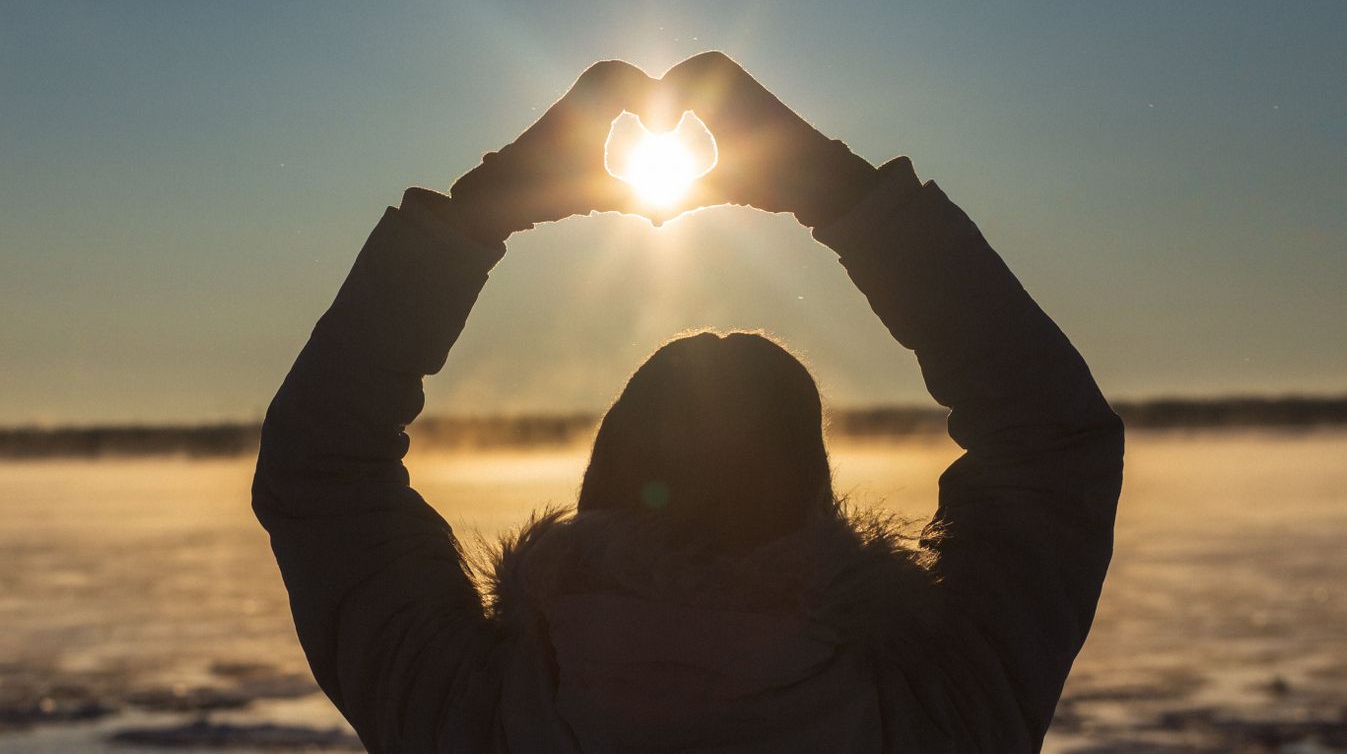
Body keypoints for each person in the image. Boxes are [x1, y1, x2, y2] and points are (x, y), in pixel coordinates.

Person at [253, 52, 1124, 753]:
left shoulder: (468, 717)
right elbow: (1049, 450)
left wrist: (482, 210)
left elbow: (323, 472)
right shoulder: (932, 716)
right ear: (814, 501)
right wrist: (843, 195)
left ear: (599, 488)